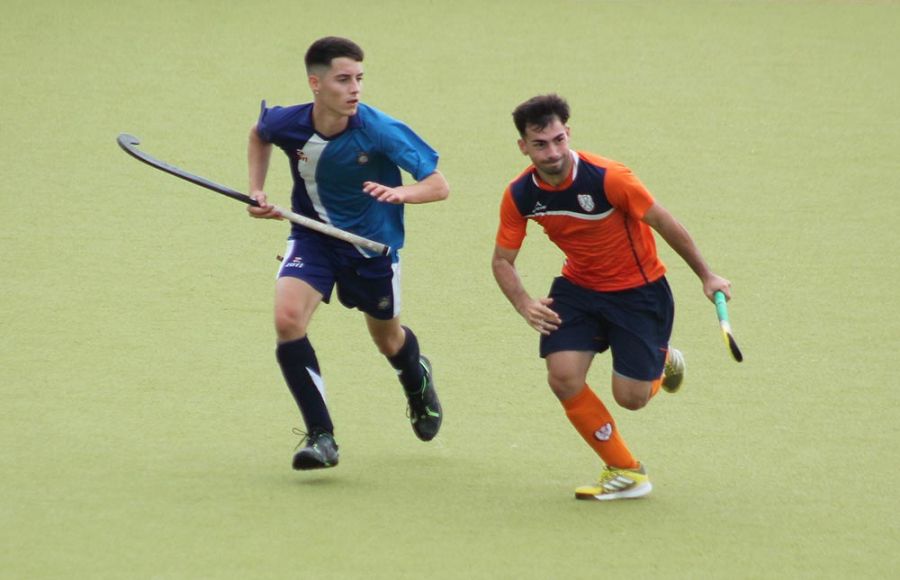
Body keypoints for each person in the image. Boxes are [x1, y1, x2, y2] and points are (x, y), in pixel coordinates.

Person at [491, 94, 731, 500]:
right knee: (563, 377)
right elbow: (502, 260)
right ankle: (625, 470)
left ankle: (662, 360)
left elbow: (664, 222)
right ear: (523, 147)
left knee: (631, 399)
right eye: (540, 144)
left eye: (559, 140)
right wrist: (524, 303)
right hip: (579, 289)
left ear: (569, 134)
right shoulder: (520, 195)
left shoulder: (609, 177)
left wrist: (707, 276)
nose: (552, 152)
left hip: (638, 293)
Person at [247, 37, 449, 470]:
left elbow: (438, 184)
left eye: (359, 78)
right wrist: (257, 190)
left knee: (388, 340)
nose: (355, 88)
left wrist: (401, 192)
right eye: (344, 79)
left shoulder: (378, 129)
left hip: (371, 250)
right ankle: (321, 436)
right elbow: (259, 133)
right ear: (316, 84)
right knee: (287, 321)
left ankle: (416, 380)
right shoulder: (290, 123)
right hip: (312, 237)